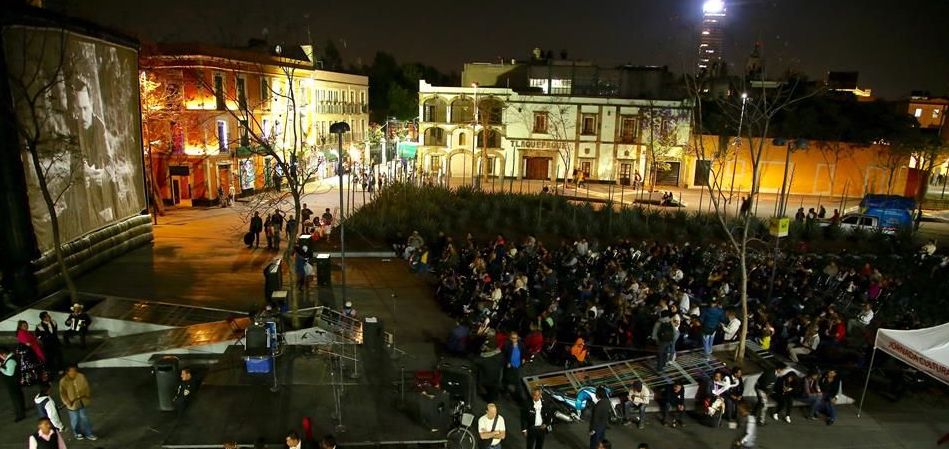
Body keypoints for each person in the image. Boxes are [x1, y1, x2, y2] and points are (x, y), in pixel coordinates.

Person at [59, 365, 97, 440]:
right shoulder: (63, 381)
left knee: (84, 418)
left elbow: (86, 387)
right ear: (67, 372)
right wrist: (67, 402)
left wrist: (87, 395)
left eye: (75, 370)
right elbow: (63, 394)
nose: (74, 372)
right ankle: (77, 433)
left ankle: (88, 433)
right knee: (75, 419)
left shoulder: (81, 376)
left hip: (82, 401)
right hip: (72, 404)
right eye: (71, 371)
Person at [1, 346, 25, 422]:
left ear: (4, 354)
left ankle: (20, 414)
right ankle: (21, 410)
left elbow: (9, 373)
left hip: (13, 383)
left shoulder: (11, 361)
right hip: (14, 382)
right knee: (18, 397)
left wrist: (0, 368)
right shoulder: (10, 358)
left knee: (16, 398)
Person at [501, 331, 524, 397]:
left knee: (516, 379)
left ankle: (516, 393)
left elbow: (523, 352)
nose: (514, 339)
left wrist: (523, 358)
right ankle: (505, 391)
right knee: (507, 379)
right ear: (510, 338)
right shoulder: (507, 345)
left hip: (517, 365)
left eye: (515, 338)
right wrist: (507, 362)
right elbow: (503, 355)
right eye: (512, 338)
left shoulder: (521, 344)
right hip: (509, 366)